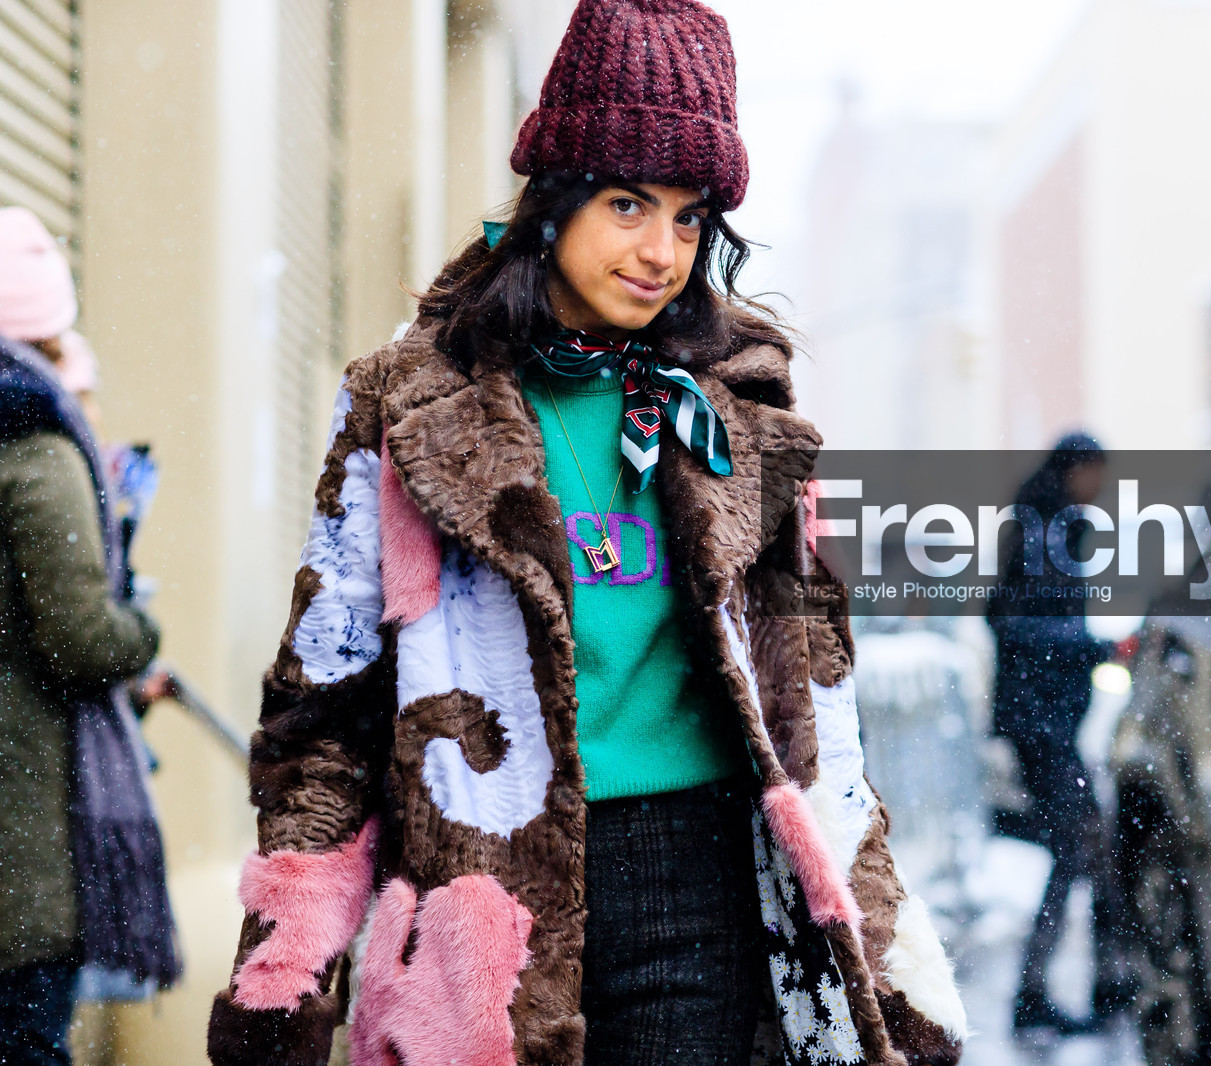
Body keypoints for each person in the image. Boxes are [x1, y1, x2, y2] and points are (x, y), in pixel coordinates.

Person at [206, 3, 966, 1065]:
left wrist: (884, 958)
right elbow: (325, 706)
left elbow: (819, 718)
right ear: (554, 198)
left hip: (699, 889)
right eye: (627, 205)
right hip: (481, 908)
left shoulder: (741, 413)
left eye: (690, 220)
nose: (661, 252)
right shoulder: (413, 403)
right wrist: (285, 964)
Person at [0, 207, 177, 1064]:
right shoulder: (34, 449)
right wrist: (140, 626)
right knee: (26, 1039)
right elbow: (80, 638)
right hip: (20, 840)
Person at [987, 432, 1123, 1035]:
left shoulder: (1055, 528)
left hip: (1048, 719)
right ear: (1073, 470)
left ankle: (1102, 981)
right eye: (1096, 473)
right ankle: (1039, 992)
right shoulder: (1041, 531)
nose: (1100, 487)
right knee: (1078, 846)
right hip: (1038, 721)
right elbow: (1011, 622)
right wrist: (1098, 648)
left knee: (1087, 845)